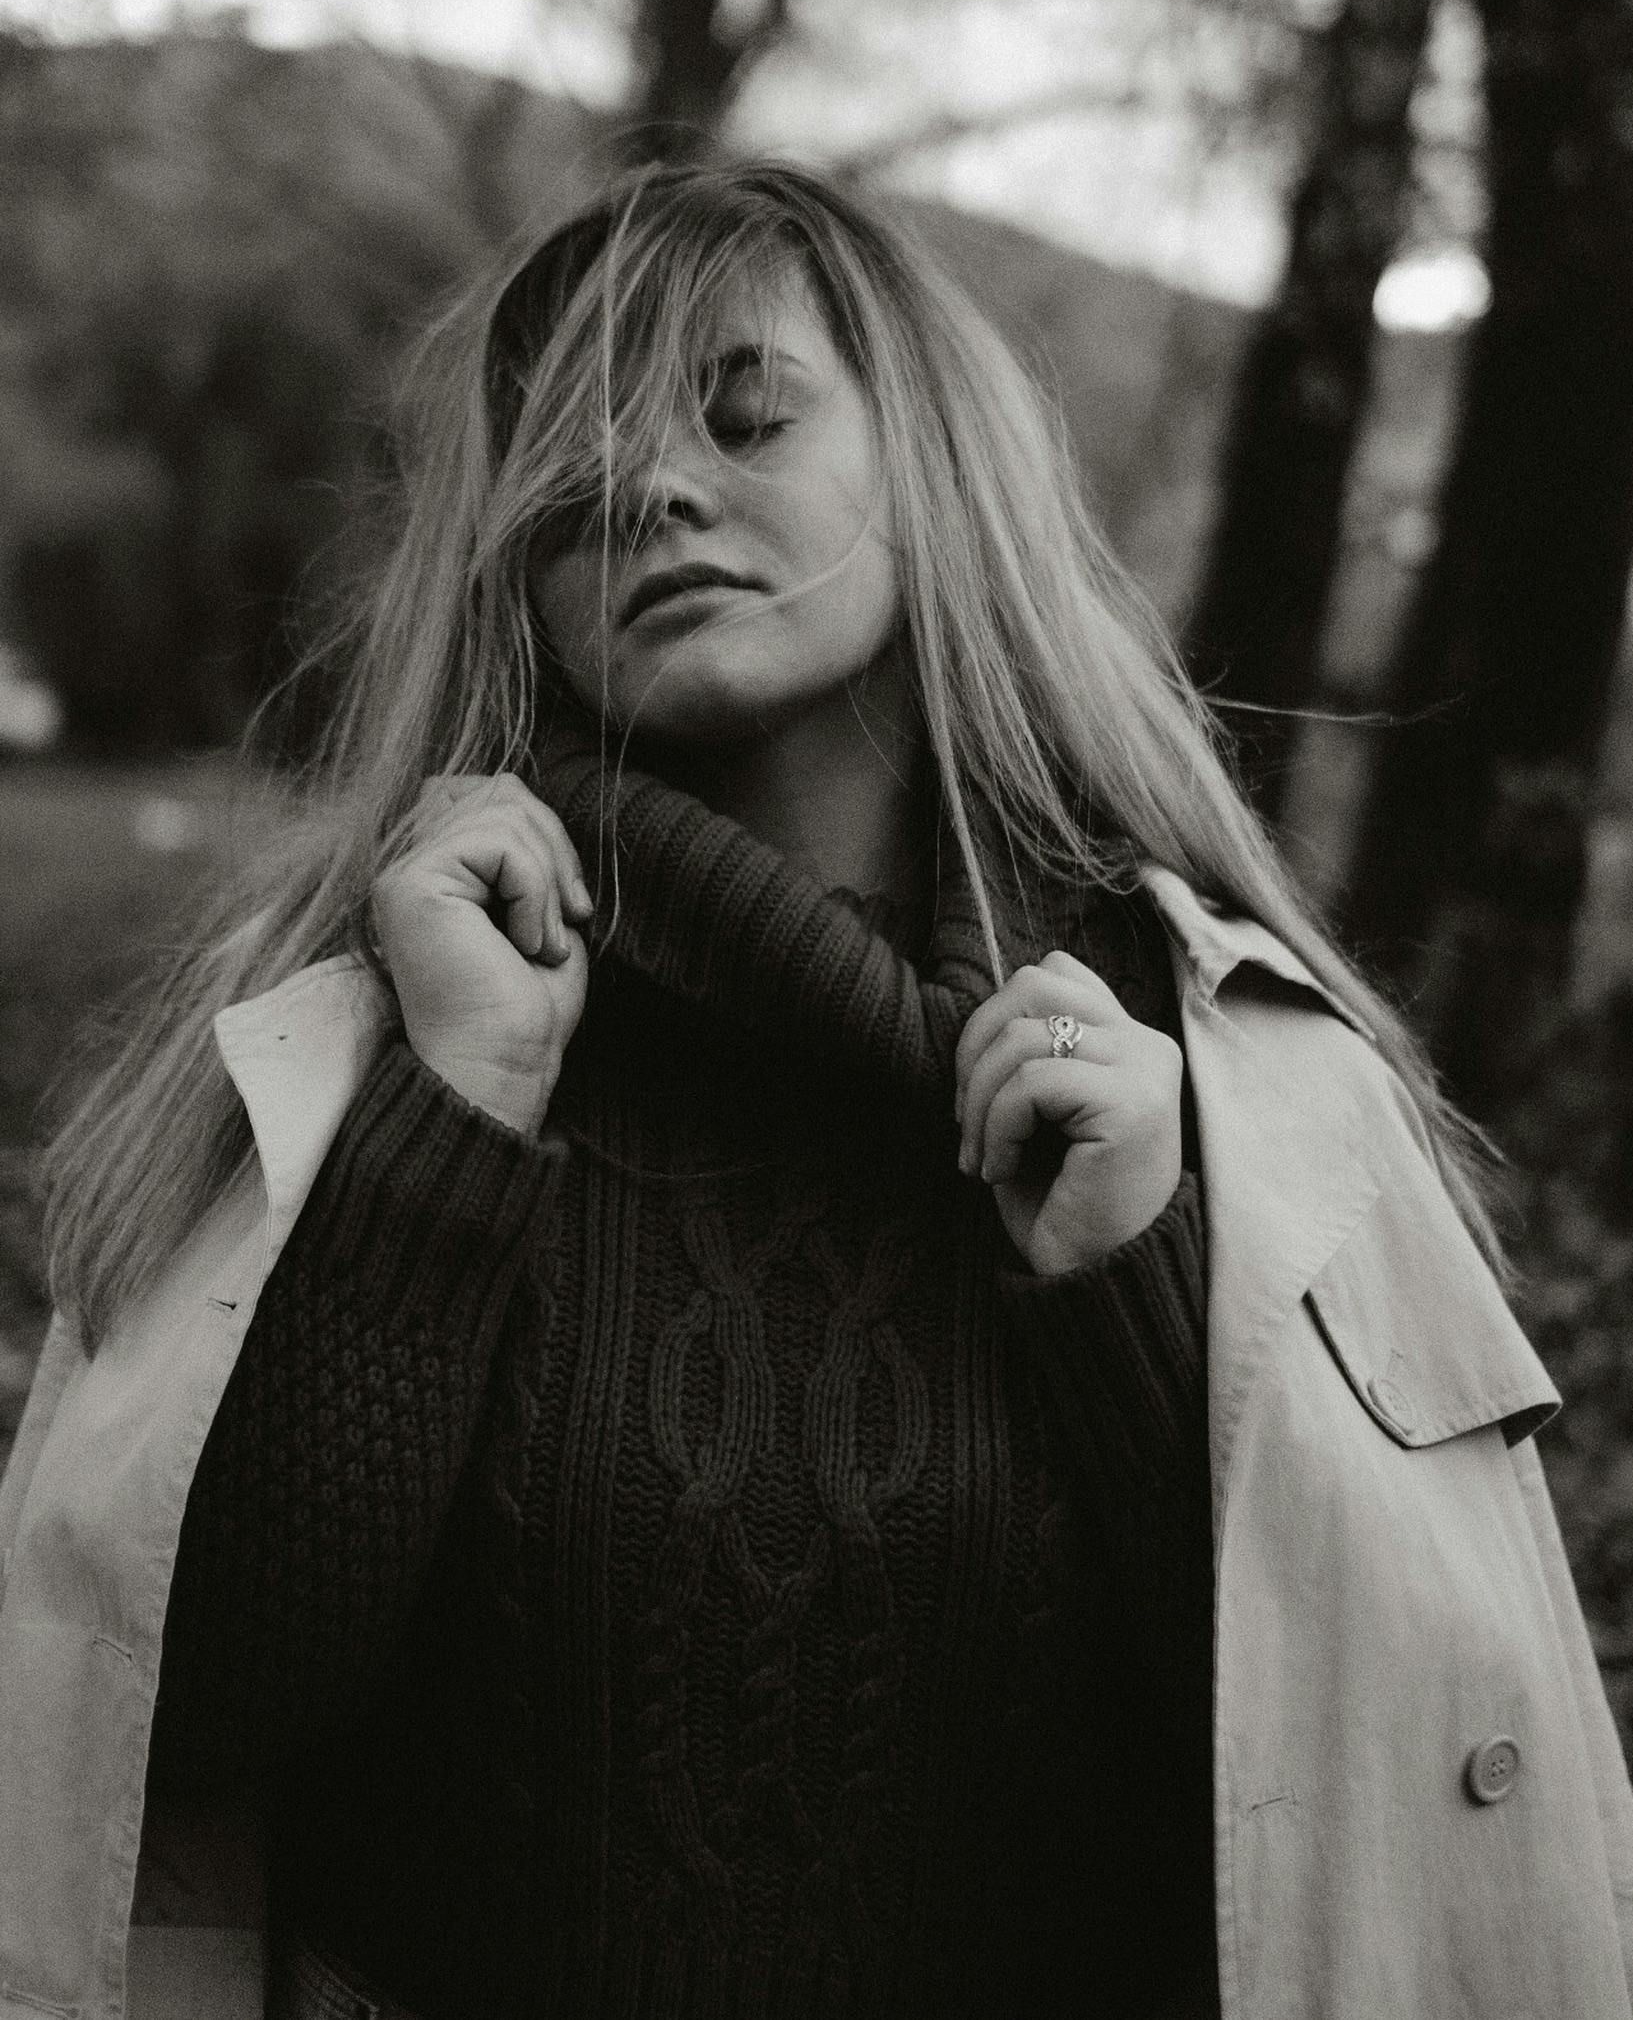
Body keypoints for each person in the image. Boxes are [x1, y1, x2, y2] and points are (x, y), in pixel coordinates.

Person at [0, 157, 1629, 2020]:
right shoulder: (376, 1028)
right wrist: (445, 1126)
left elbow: (1353, 1810)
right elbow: (177, 1712)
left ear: (924, 458)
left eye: (743, 404)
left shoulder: (1234, 1076)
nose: (653, 486)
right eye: (571, 477)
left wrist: (1138, 1292)